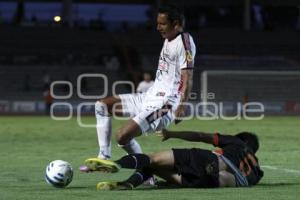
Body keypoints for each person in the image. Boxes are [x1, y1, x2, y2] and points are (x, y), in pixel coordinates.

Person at [80, 4, 196, 165]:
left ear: (175, 24)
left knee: (122, 136)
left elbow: (187, 77)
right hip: (149, 96)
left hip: (165, 104)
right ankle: (103, 157)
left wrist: (182, 106)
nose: (158, 28)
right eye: (157, 23)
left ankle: (147, 174)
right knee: (102, 106)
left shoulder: (184, 42)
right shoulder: (169, 39)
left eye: (162, 24)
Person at [83, 129, 264, 190]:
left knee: (152, 159)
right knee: (155, 167)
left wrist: (171, 134)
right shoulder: (258, 172)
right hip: (213, 182)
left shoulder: (238, 142)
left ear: (242, 140)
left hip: (212, 161)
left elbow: (201, 135)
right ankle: (128, 185)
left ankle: (118, 164)